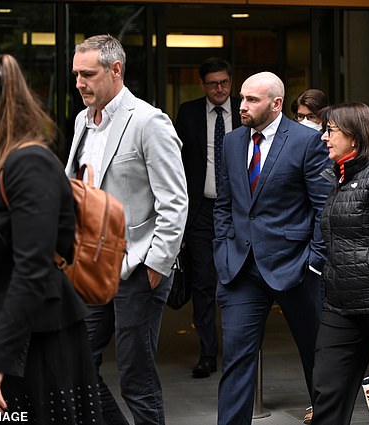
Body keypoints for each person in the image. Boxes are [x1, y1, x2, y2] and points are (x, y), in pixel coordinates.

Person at [0, 54, 103, 424]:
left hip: (32, 351)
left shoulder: (28, 164)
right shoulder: (10, 161)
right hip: (16, 343)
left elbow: (31, 270)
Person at [65, 35, 188, 425]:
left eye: (88, 74)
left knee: (136, 376)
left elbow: (175, 201)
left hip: (137, 266)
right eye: (76, 75)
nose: (80, 83)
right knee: (73, 361)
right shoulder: (82, 122)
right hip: (91, 267)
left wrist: (155, 265)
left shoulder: (148, 121)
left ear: (115, 70)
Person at [213, 71, 331, 425]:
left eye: (252, 100)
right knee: (235, 360)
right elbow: (225, 203)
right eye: (242, 98)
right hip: (241, 269)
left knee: (317, 357)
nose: (242, 105)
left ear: (276, 104)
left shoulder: (306, 141)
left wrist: (314, 260)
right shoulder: (233, 142)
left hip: (296, 267)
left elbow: (323, 206)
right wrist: (222, 250)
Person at [311, 103, 369, 425]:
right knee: (327, 392)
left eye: (330, 131)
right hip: (340, 305)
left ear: (355, 137)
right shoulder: (340, 179)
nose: (324, 138)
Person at [175, 57, 241, 379]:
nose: (219, 89)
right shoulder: (188, 114)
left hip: (238, 210)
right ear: (203, 85)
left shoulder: (246, 112)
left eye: (224, 82)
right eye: (213, 83)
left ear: (231, 82)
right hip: (202, 210)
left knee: (239, 281)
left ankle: (239, 350)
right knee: (203, 283)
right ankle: (207, 351)